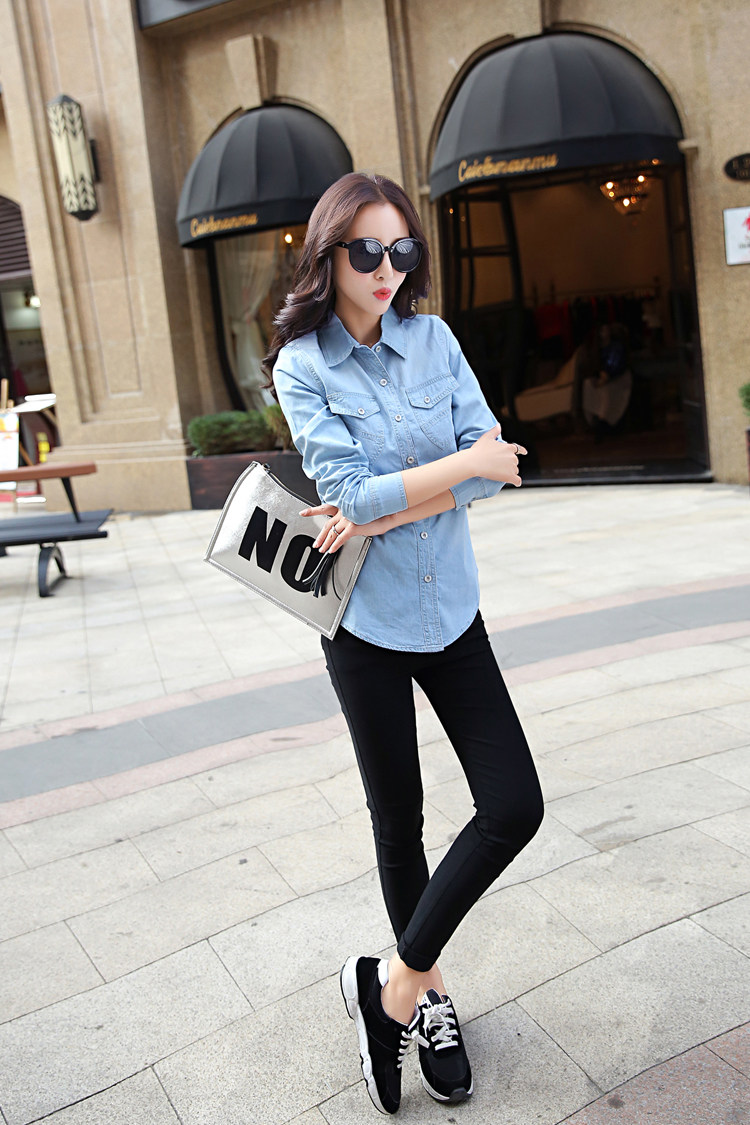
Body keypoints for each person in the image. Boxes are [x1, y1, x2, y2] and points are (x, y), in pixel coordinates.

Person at [265, 172, 544, 1115]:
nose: (386, 269)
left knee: (515, 804)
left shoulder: (436, 340)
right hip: (367, 629)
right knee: (401, 820)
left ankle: (388, 986)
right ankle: (429, 998)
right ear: (328, 254)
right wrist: (457, 467)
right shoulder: (303, 365)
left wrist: (388, 507)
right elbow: (360, 489)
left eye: (401, 250)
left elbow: (494, 470)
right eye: (365, 251)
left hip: (451, 612)